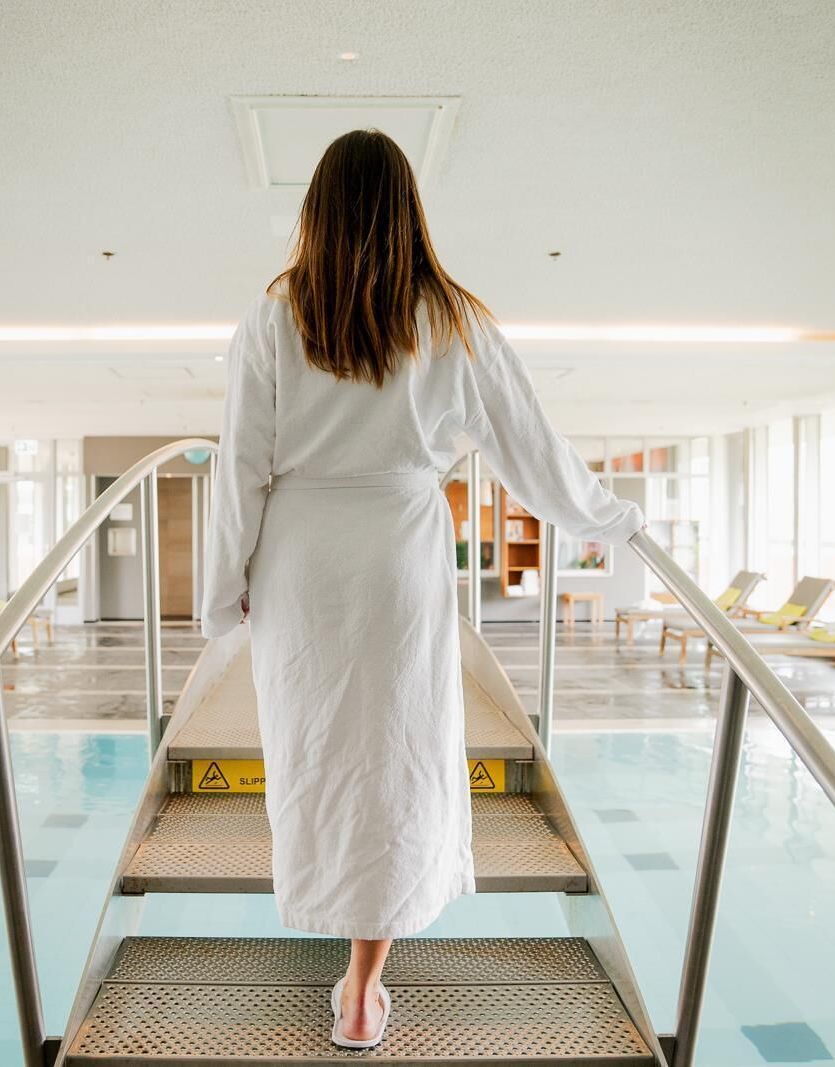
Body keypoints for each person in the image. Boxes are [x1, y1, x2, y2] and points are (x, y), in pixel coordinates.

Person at [200, 129, 644, 1049]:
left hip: (302, 558)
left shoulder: (277, 312)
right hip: (400, 555)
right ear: (410, 208)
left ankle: (326, 917)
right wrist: (611, 520)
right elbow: (534, 453)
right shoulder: (452, 318)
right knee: (399, 758)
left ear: (315, 209)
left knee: (316, 746)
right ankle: (364, 985)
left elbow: (238, 465)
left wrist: (224, 589)